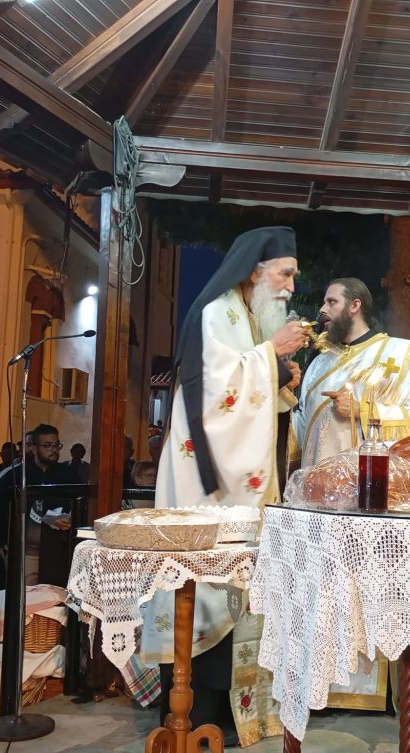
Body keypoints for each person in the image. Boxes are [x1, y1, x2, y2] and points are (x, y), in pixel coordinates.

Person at [146, 226, 306, 746]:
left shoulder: (246, 315)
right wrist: (269, 356)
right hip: (206, 481)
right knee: (206, 590)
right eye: (284, 275)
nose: (290, 287)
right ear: (255, 272)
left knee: (238, 593)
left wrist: (279, 377)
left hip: (239, 483)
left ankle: (238, 716)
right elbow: (213, 392)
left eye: (293, 277)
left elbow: (248, 388)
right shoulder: (218, 312)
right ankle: (196, 713)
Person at [294, 277, 410, 467]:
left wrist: (361, 411)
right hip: (316, 479)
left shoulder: (396, 353)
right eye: (324, 302)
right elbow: (302, 426)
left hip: (366, 476)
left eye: (332, 302)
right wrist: (280, 395)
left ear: (355, 305)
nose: (322, 309)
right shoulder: (320, 362)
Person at [0, 423, 81, 587]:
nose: (53, 450)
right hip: (24, 552)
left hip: (57, 553)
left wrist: (70, 519)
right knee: (24, 596)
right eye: (47, 445)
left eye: (56, 445)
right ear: (34, 448)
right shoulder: (18, 474)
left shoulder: (69, 475)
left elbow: (80, 506)